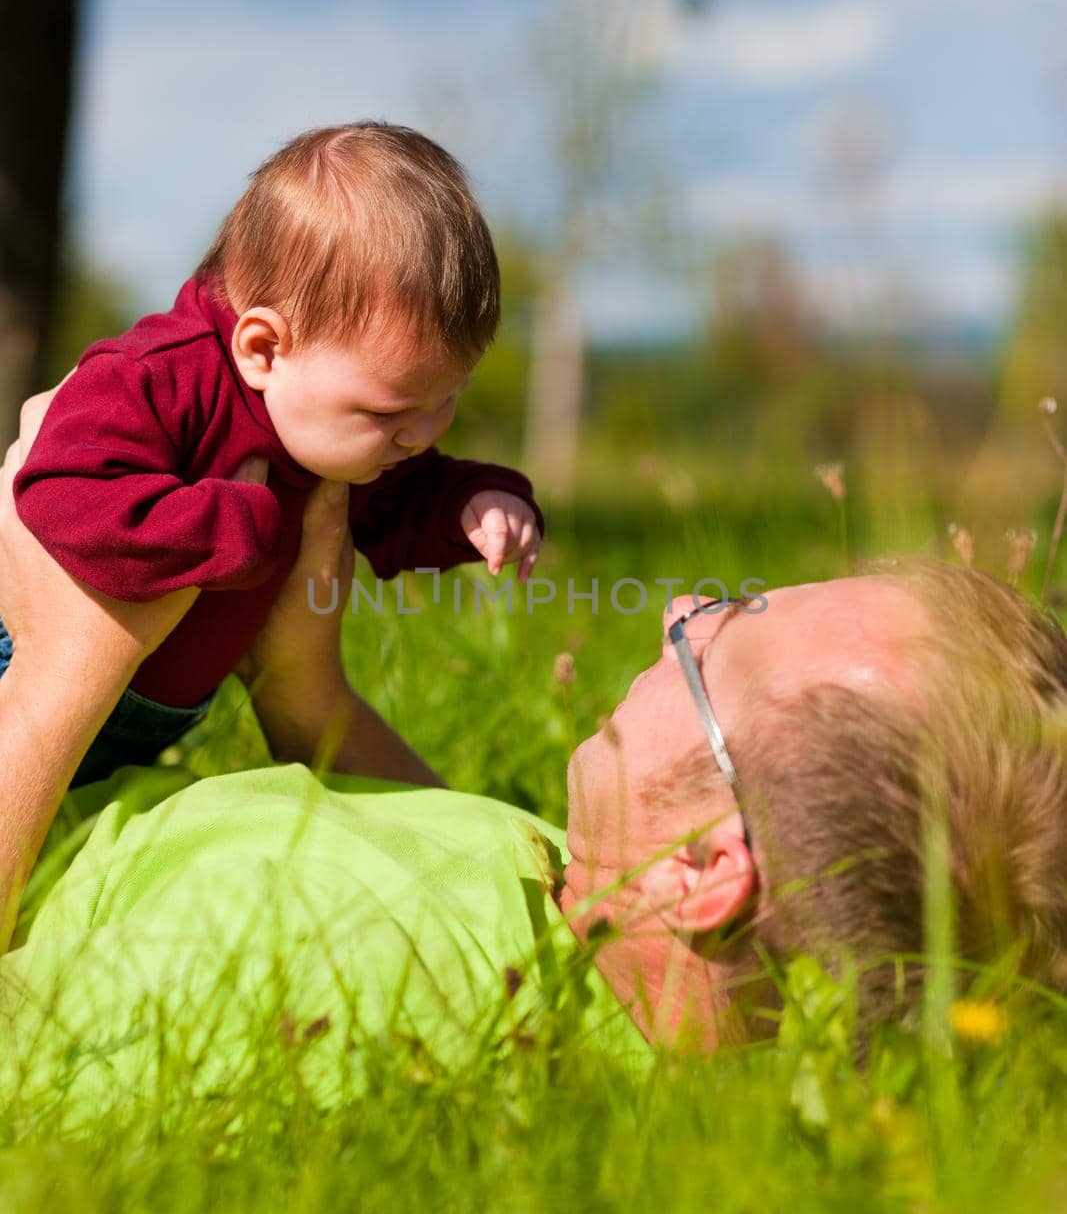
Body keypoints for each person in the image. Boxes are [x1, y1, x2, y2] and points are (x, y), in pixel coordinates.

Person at [3, 397, 1067, 1113]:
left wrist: (57, 677)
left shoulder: (324, 977)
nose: (679, 608)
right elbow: (431, 849)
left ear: (702, 870)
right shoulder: (595, 946)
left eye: (721, 633)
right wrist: (305, 691)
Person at [2, 121, 543, 792]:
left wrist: (476, 502)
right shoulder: (157, 378)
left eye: (446, 401)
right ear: (262, 350)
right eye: (388, 412)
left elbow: (406, 496)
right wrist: (231, 530)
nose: (420, 435)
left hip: (135, 718)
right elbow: (62, 486)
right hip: (21, 669)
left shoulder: (333, 428)